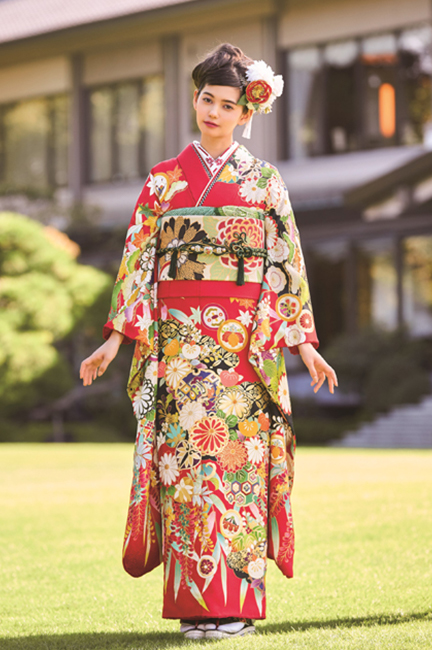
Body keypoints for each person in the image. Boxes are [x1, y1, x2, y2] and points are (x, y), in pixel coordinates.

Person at [80, 43, 337, 640]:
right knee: (186, 471)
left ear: (247, 113)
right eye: (206, 99)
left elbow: (285, 265)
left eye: (226, 104)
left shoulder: (265, 182)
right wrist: (115, 340)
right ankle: (195, 606)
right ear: (194, 100)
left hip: (244, 350)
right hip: (179, 350)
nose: (214, 112)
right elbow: (138, 262)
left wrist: (304, 345)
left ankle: (237, 605)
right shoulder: (163, 181)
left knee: (236, 469)